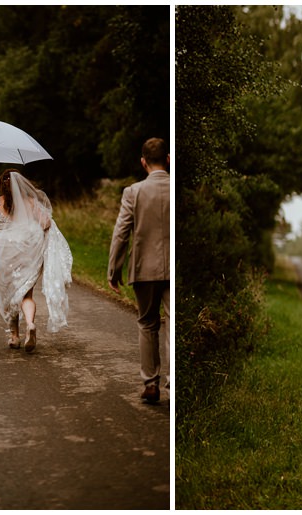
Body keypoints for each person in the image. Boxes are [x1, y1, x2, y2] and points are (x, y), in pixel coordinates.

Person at [0, 170, 72, 353]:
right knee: (26, 294)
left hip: (3, 254)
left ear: (2, 185)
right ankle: (30, 324)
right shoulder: (30, 203)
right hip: (27, 251)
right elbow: (46, 223)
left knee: (9, 293)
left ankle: (14, 336)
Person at [109, 137, 171, 404]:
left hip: (144, 268)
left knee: (148, 323)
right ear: (168, 159)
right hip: (173, 267)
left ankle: (151, 383)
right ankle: (173, 382)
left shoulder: (133, 192)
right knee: (172, 323)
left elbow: (121, 234)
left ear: (143, 162)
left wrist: (114, 269)